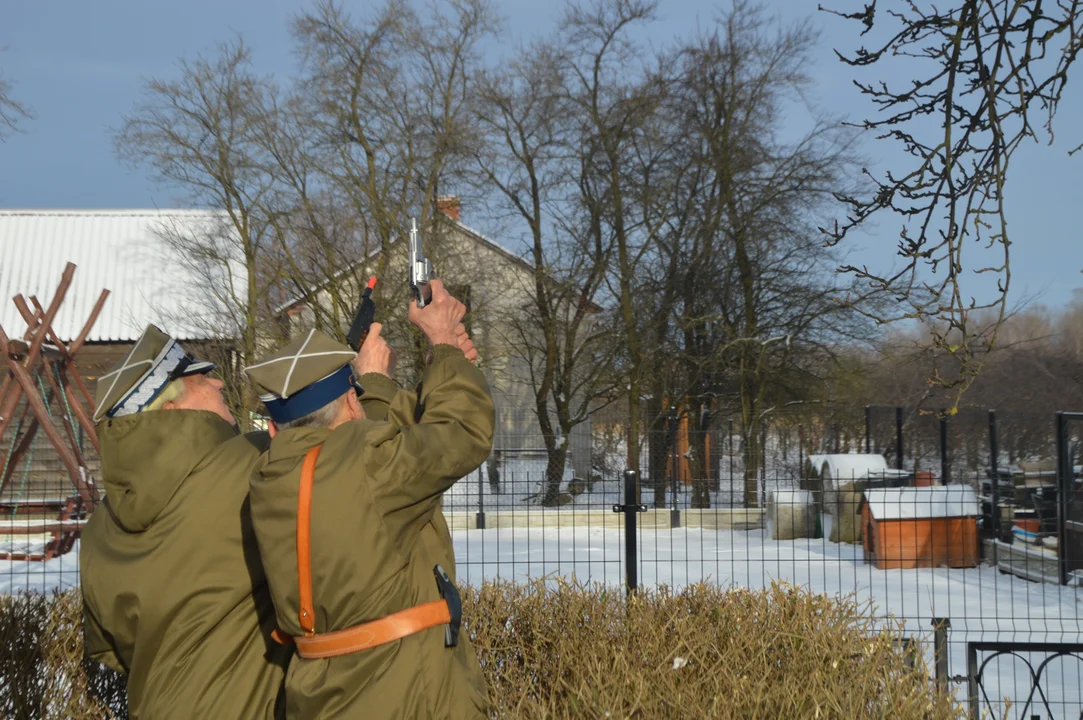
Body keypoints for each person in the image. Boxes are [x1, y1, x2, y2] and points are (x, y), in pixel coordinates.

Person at [244, 279, 493, 719]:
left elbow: (362, 452)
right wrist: (444, 346)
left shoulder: (271, 478)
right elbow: (461, 432)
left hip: (323, 695)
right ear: (353, 406)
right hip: (403, 693)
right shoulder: (370, 467)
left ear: (275, 429)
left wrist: (403, 377)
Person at [80, 325, 291, 720]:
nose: (218, 384)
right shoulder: (255, 464)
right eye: (201, 378)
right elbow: (353, 485)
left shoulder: (96, 530)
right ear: (171, 408)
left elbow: (108, 649)